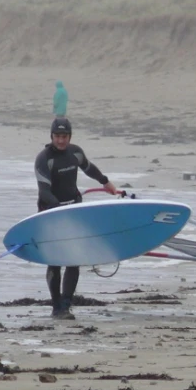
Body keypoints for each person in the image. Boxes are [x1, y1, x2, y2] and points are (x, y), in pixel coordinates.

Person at [34, 117, 117, 319]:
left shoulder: (75, 152)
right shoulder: (44, 159)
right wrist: (58, 209)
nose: (61, 140)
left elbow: (89, 168)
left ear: (69, 136)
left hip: (74, 209)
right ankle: (56, 308)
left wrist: (105, 182)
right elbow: (44, 191)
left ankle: (66, 305)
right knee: (55, 261)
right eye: (57, 136)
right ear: (51, 136)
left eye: (64, 136)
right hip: (51, 213)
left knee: (73, 258)